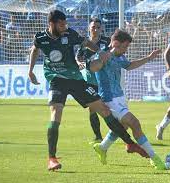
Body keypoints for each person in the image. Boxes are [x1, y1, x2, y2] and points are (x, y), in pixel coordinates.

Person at [28, 10, 147, 171]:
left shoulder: (70, 33)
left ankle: (130, 144)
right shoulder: (40, 37)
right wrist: (30, 70)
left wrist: (100, 51)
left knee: (104, 110)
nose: (64, 27)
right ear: (52, 24)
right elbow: (35, 49)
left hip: (76, 79)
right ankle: (52, 158)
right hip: (56, 79)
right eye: (61, 24)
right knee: (56, 113)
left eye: (65, 24)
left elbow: (86, 42)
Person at [90, 29, 166, 170]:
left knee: (122, 127)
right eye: (125, 47)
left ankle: (102, 147)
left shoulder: (121, 57)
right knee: (134, 123)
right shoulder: (104, 55)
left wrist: (149, 58)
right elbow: (93, 67)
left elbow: (130, 66)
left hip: (119, 97)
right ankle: (154, 158)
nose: (126, 50)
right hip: (109, 99)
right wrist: (103, 58)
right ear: (116, 43)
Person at [76, 17, 111, 144]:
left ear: (101, 29)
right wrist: (79, 63)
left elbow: (110, 55)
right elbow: (78, 57)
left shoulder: (106, 41)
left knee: (109, 107)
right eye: (93, 27)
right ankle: (98, 136)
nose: (95, 29)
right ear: (89, 28)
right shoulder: (84, 42)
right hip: (90, 79)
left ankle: (118, 131)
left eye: (98, 27)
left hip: (104, 79)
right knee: (93, 108)